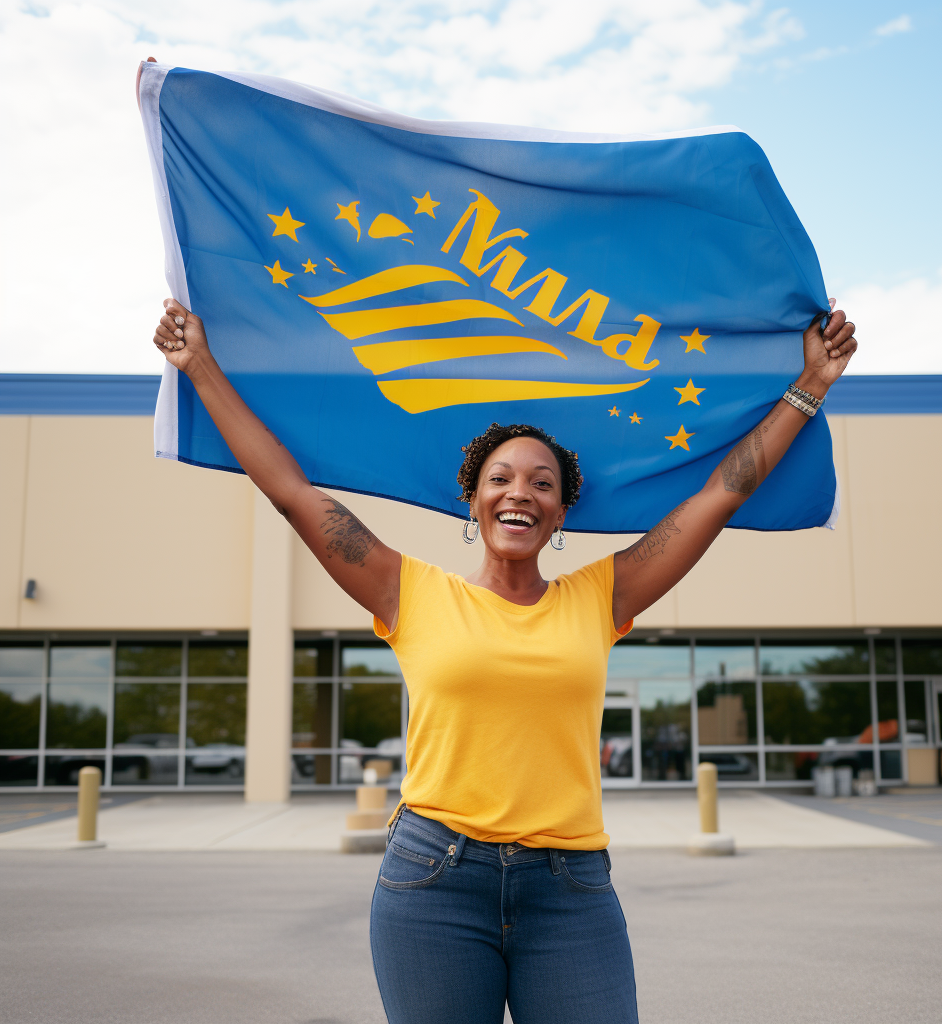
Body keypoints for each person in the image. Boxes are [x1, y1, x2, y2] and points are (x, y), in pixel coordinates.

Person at [153, 298, 856, 1023]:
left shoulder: (602, 596)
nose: (520, 491)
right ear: (474, 502)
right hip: (434, 881)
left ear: (559, 515)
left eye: (542, 483)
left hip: (570, 888)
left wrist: (810, 388)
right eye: (501, 478)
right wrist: (199, 365)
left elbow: (720, 495)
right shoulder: (408, 591)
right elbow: (291, 492)